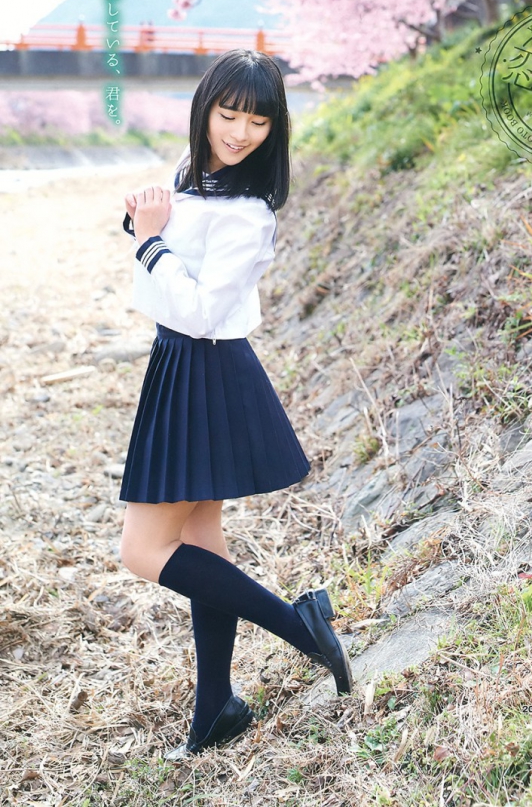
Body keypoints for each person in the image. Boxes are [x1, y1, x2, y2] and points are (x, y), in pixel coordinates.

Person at [119, 49, 353, 760]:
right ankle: (216, 706)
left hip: (206, 367)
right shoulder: (190, 177)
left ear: (275, 127)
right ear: (205, 109)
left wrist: (151, 242)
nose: (241, 132)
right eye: (229, 114)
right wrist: (143, 224)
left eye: (258, 120)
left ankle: (300, 627)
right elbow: (162, 250)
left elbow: (197, 311)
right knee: (199, 544)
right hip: (179, 365)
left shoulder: (249, 214)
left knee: (142, 551)